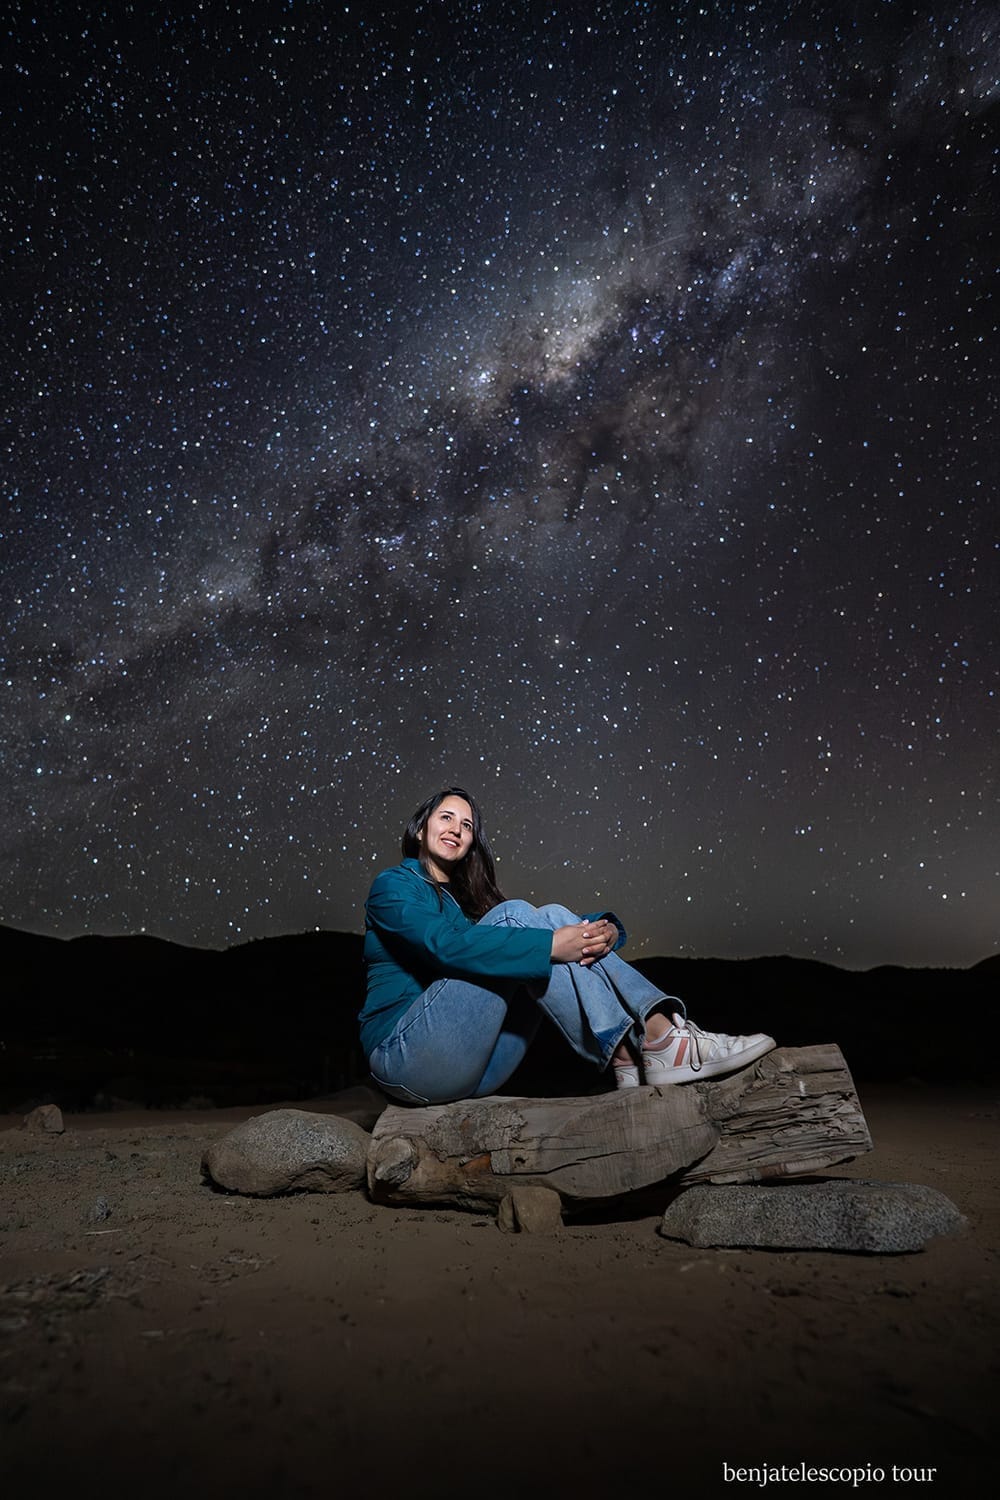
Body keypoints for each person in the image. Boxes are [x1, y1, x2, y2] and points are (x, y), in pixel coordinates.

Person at [360, 786, 775, 1105]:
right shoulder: (394, 886)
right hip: (405, 1058)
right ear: (420, 828)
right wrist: (548, 945)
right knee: (521, 920)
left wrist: (608, 928)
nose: (456, 829)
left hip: (476, 1066)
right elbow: (443, 945)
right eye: (446, 817)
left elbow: (540, 931)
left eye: (467, 825)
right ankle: (660, 1039)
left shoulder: (467, 906)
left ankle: (629, 1056)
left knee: (545, 918)